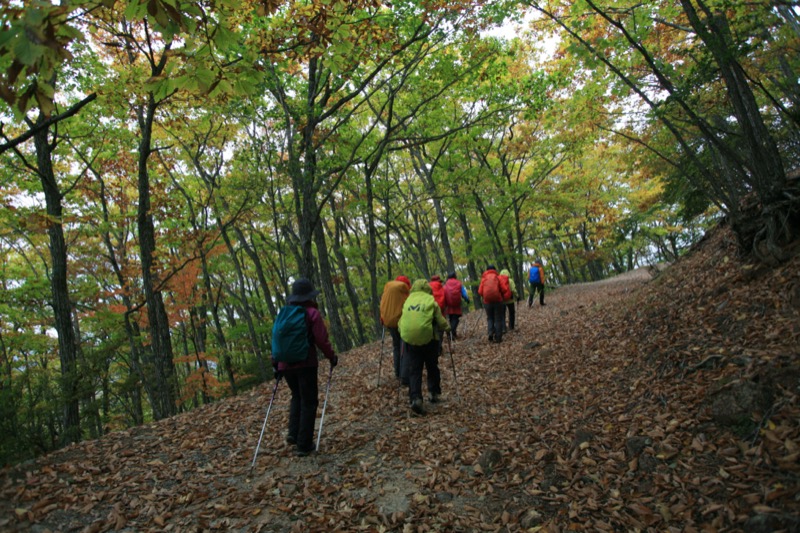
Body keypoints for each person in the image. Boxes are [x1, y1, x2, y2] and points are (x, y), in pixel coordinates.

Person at [273, 278, 338, 457]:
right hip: (306, 363)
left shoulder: (284, 313)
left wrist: (276, 365)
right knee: (309, 401)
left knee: (297, 397)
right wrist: (331, 357)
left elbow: (276, 340)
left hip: (285, 365)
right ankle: (304, 444)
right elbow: (321, 340)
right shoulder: (312, 313)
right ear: (309, 296)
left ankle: (293, 434)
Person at [398, 279, 450, 415]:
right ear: (427, 289)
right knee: (432, 366)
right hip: (429, 340)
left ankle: (415, 398)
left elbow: (401, 322)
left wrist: (403, 334)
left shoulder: (408, 301)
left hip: (410, 340)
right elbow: (440, 320)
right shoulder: (430, 301)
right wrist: (447, 328)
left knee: (414, 369)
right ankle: (433, 393)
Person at [379, 275, 412, 385]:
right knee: (404, 347)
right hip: (400, 321)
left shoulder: (388, 288)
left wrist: (383, 318)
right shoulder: (403, 289)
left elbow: (383, 305)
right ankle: (404, 375)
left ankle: (397, 372)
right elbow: (408, 304)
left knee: (396, 346)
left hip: (389, 321)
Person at [478, 265, 510, 343]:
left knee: (490, 318)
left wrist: (485, 296)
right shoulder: (498, 277)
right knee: (498, 319)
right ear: (494, 270)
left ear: (487, 270)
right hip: (497, 301)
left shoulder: (484, 279)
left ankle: (490, 333)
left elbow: (480, 291)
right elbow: (504, 289)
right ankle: (498, 337)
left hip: (487, 302)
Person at [443, 272, 470, 339]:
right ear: (455, 276)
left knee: (451, 318)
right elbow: (463, 293)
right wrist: (467, 299)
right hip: (457, 304)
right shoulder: (459, 283)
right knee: (456, 319)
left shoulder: (445, 285)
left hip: (449, 304)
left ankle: (452, 333)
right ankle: (452, 333)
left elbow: (443, 293)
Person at [429, 275, 446, 354]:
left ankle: (433, 348)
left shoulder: (427, 287)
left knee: (432, 331)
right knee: (440, 331)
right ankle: (439, 347)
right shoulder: (442, 288)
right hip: (440, 312)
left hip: (429, 313)